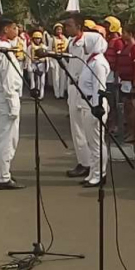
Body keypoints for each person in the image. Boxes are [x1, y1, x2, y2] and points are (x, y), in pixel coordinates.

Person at [0, 18, 25, 190]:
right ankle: (3, 177)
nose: (17, 30)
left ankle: (1, 173)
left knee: (1, 138)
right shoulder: (5, 51)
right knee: (8, 139)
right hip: (6, 96)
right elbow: (9, 81)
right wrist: (13, 105)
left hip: (0, 96)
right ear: (5, 29)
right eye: (14, 27)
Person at [78, 32, 111, 187]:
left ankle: (99, 174)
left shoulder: (98, 63)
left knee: (97, 143)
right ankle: (93, 171)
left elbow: (99, 87)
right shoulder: (90, 60)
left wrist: (97, 106)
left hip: (94, 105)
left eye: (85, 43)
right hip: (87, 104)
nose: (83, 46)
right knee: (91, 143)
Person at [64, 13, 91, 178]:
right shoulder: (71, 43)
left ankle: (90, 164)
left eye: (69, 25)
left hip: (84, 89)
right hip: (73, 87)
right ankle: (83, 161)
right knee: (76, 128)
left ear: (79, 27)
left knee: (85, 127)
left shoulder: (86, 44)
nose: (67, 28)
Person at [117, 23, 135, 143]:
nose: (122, 35)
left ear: (130, 34)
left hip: (131, 82)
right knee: (127, 108)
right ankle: (129, 131)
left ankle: (132, 133)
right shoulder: (125, 47)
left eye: (124, 33)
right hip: (124, 81)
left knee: (132, 107)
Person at [104, 16, 124, 132]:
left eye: (108, 25)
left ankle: (115, 125)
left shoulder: (118, 42)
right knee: (108, 100)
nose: (106, 27)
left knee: (114, 101)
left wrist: (117, 76)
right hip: (107, 75)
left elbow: (119, 60)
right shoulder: (108, 40)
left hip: (114, 76)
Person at [27, 31, 49, 100]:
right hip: (34, 64)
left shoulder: (44, 47)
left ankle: (41, 95)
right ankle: (33, 94)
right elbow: (28, 56)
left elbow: (47, 58)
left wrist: (47, 66)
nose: (37, 40)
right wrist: (29, 66)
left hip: (41, 65)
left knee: (42, 82)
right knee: (33, 81)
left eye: (39, 38)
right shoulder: (30, 47)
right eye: (36, 38)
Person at [50, 23, 69, 99]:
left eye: (60, 29)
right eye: (57, 29)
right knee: (56, 76)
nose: (59, 31)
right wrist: (51, 60)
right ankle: (56, 93)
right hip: (55, 58)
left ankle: (61, 94)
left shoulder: (65, 39)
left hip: (63, 58)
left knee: (63, 76)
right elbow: (49, 50)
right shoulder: (52, 39)